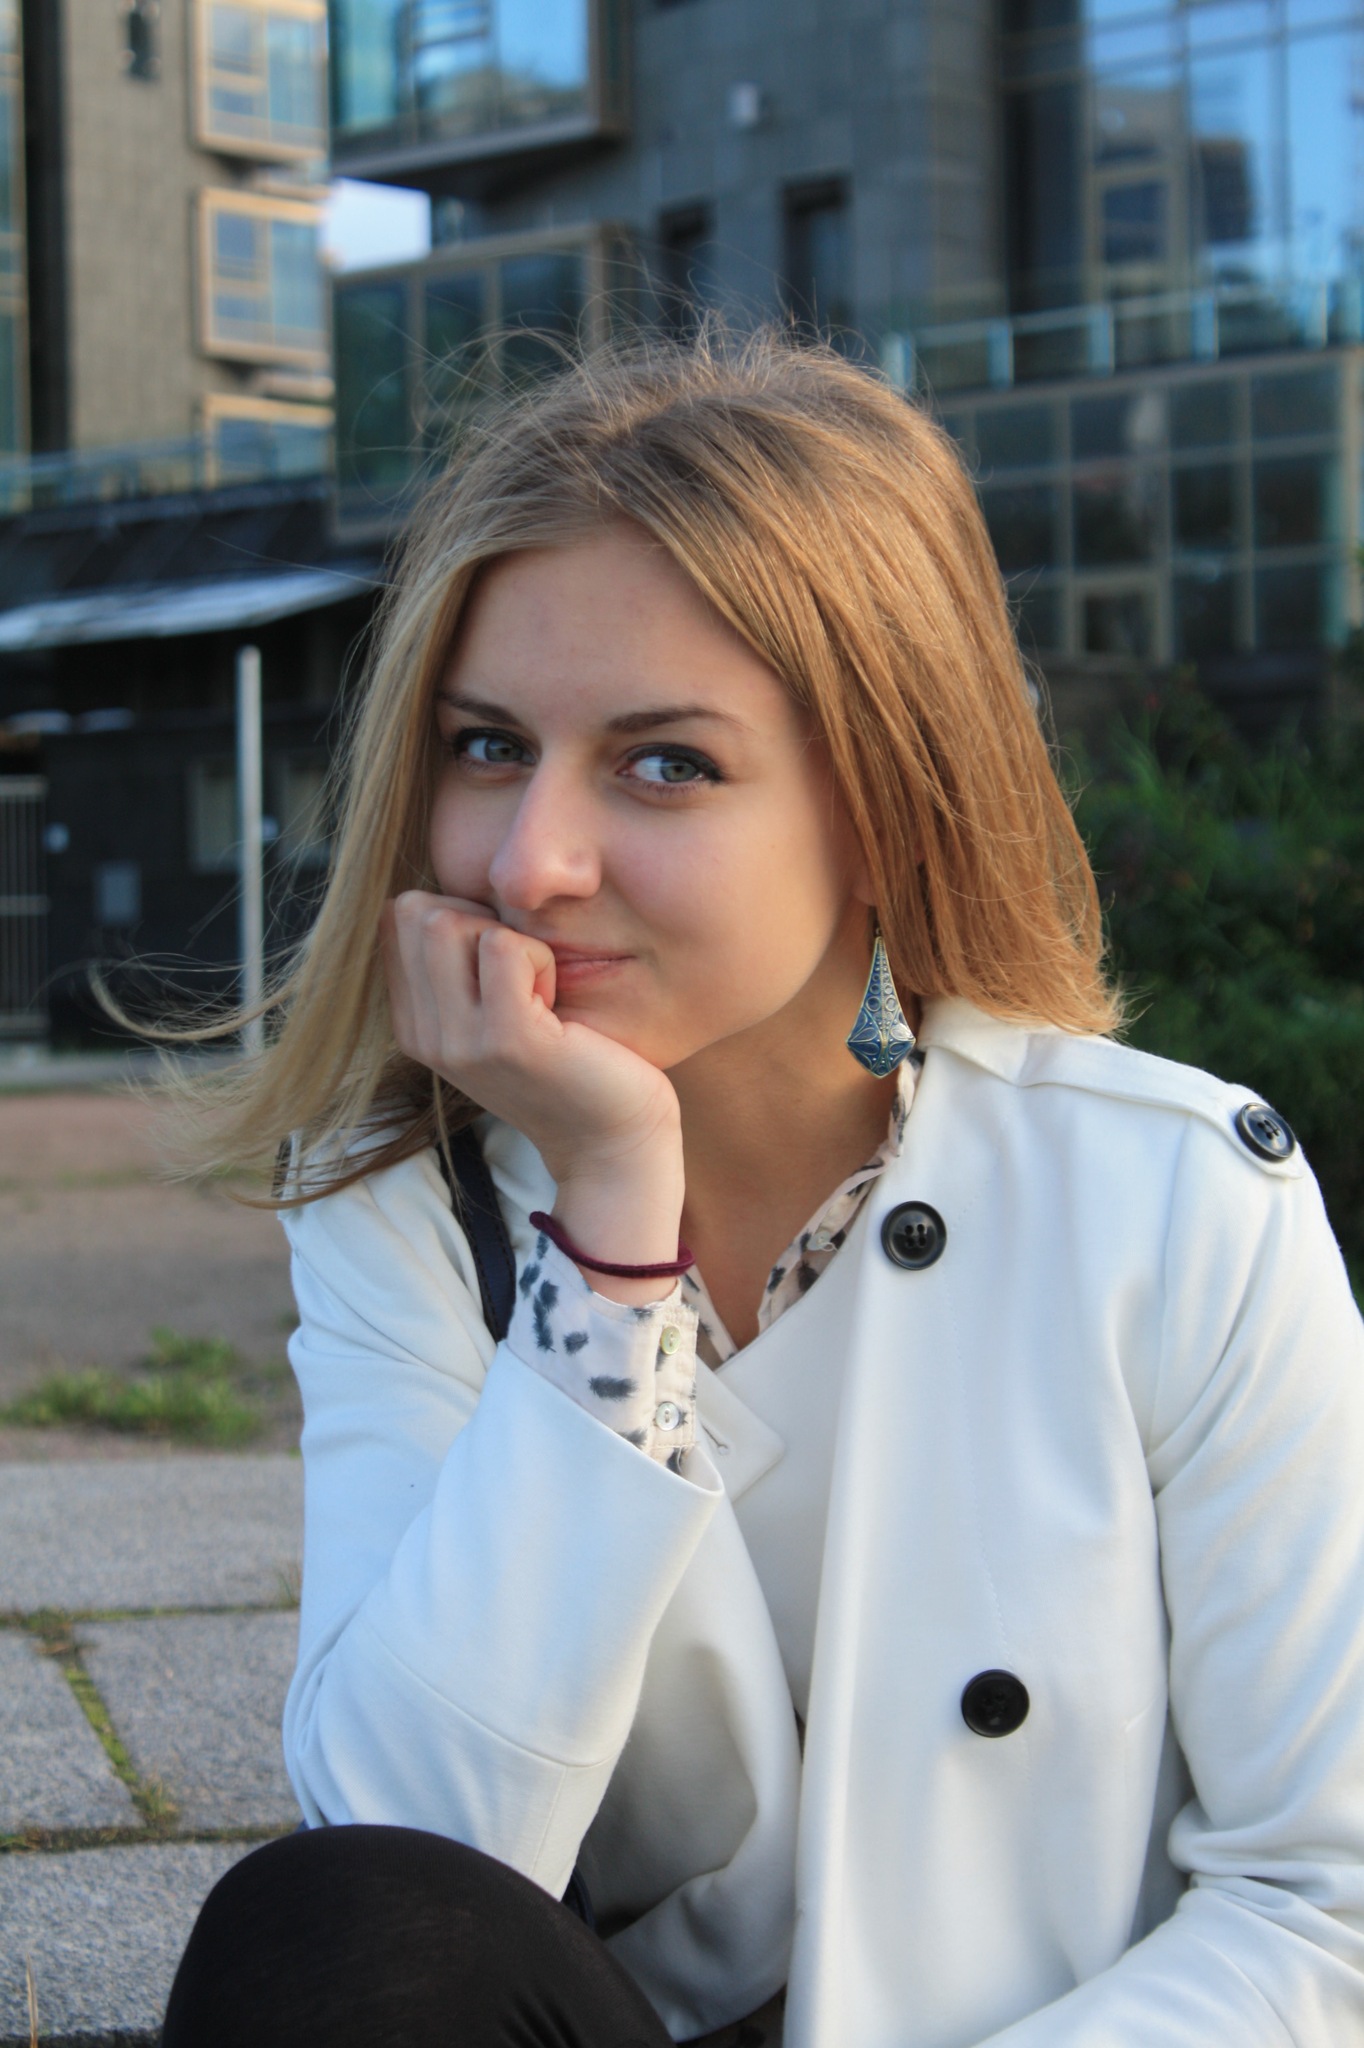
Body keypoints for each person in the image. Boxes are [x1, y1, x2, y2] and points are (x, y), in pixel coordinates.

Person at [162, 332, 1364, 2048]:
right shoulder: (406, 1208)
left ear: (885, 803)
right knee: (330, 1926)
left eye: (665, 763)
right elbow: (409, 1852)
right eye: (488, 746)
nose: (528, 862)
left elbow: (1321, 1907)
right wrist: (606, 1234)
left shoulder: (1175, 1206)